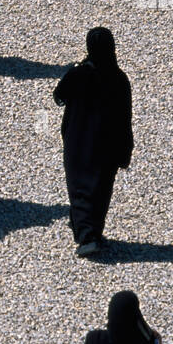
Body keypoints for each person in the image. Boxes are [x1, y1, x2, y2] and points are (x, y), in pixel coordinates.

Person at [53, 27, 133, 257]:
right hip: (106, 146)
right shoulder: (119, 78)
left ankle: (86, 234)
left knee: (78, 187)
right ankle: (90, 233)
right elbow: (125, 118)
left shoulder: (79, 74)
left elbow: (59, 96)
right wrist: (125, 150)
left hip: (77, 143)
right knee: (99, 189)